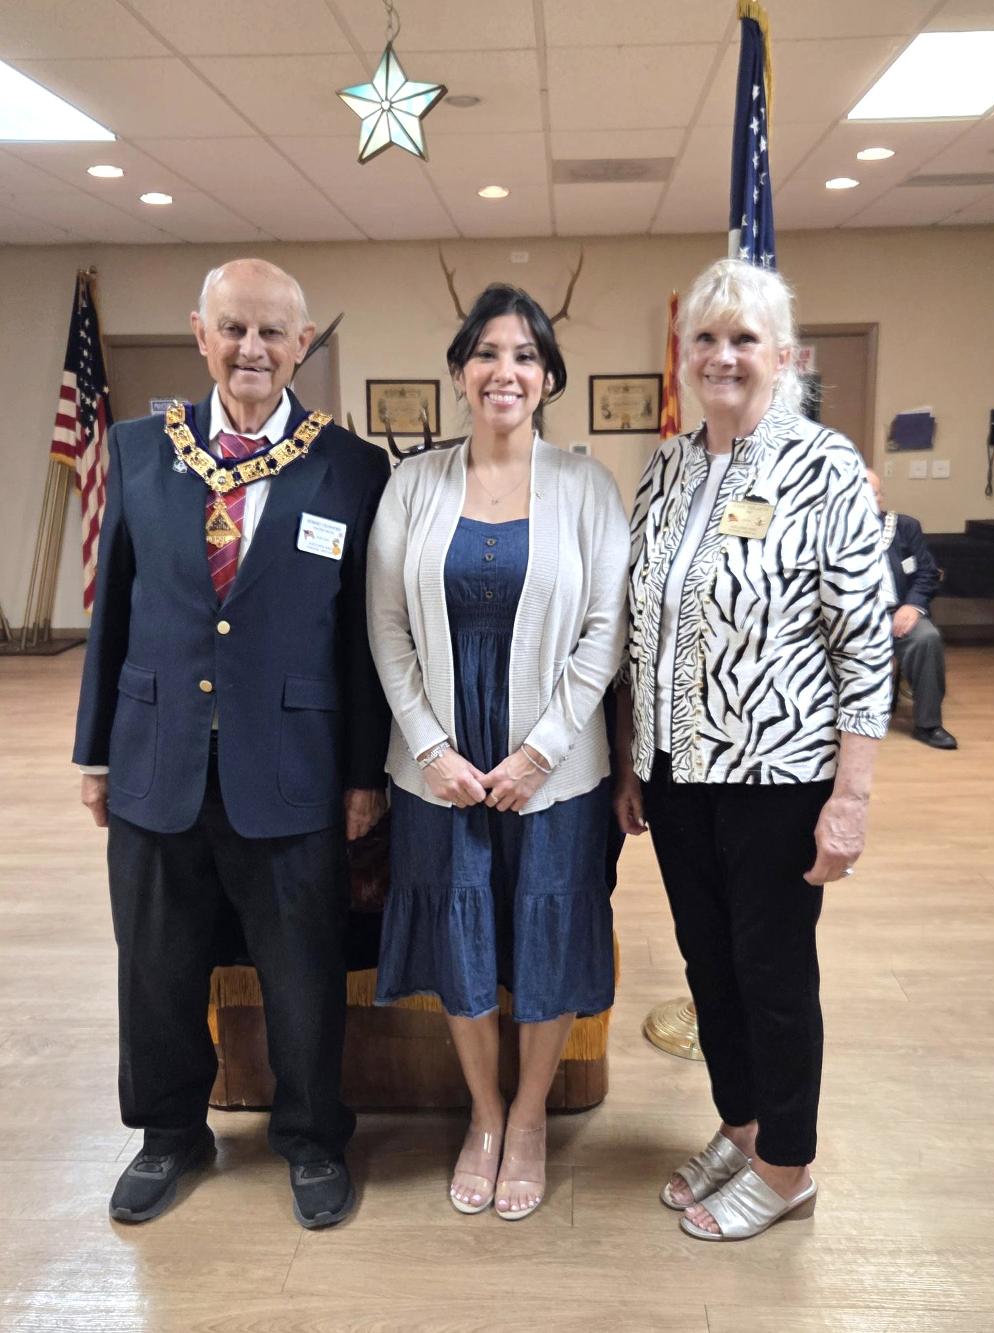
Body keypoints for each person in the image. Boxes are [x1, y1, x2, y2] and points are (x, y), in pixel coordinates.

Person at [73, 258, 390, 1229]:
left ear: (302, 344)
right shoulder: (138, 450)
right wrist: (94, 752)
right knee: (155, 965)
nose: (252, 349)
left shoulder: (350, 466)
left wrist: (363, 773)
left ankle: (312, 1137)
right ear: (201, 334)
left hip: (292, 765)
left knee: (301, 970)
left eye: (272, 332)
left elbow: (359, 639)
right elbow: (113, 611)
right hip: (156, 754)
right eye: (234, 328)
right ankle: (169, 1132)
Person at [614, 258, 892, 1241]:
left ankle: (787, 1165)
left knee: (771, 972)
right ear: (682, 353)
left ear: (784, 355)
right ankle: (741, 1125)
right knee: (708, 964)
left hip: (777, 773)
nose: (722, 356)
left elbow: (863, 644)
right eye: (705, 337)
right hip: (675, 772)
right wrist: (631, 757)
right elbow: (639, 623)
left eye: (743, 339)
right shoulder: (668, 466)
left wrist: (850, 798)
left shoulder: (823, 466)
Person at [367, 284, 629, 1221]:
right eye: (486, 352)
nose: (504, 371)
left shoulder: (589, 488)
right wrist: (430, 748)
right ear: (460, 370)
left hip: (555, 769)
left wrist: (539, 754)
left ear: (549, 376)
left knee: (548, 932)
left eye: (524, 355)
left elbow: (605, 631)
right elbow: (387, 626)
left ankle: (529, 1118)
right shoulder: (413, 484)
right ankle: (483, 1112)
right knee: (462, 929)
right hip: (438, 768)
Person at [867, 470, 957, 750]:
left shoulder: (904, 527)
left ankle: (928, 724)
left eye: (874, 493)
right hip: (848, 617)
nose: (869, 499)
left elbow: (927, 573)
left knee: (926, 638)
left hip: (897, 611)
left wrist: (913, 605)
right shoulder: (826, 529)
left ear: (882, 497)